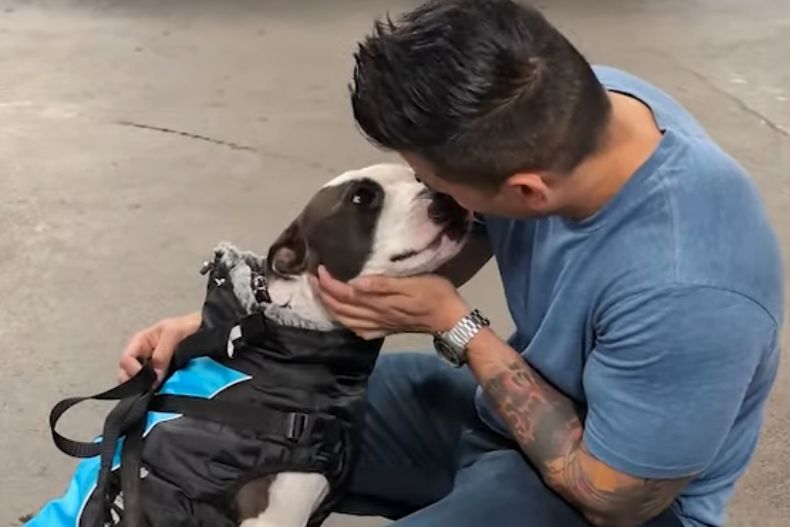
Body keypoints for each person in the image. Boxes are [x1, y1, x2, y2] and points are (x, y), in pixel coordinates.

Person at [118, 1, 784, 526]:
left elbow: (614, 497)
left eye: (436, 187)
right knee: (216, 421)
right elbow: (380, 272)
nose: (423, 194)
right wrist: (224, 332)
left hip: (615, 496)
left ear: (526, 191)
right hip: (500, 408)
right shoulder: (575, 102)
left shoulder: (688, 285)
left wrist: (461, 328)